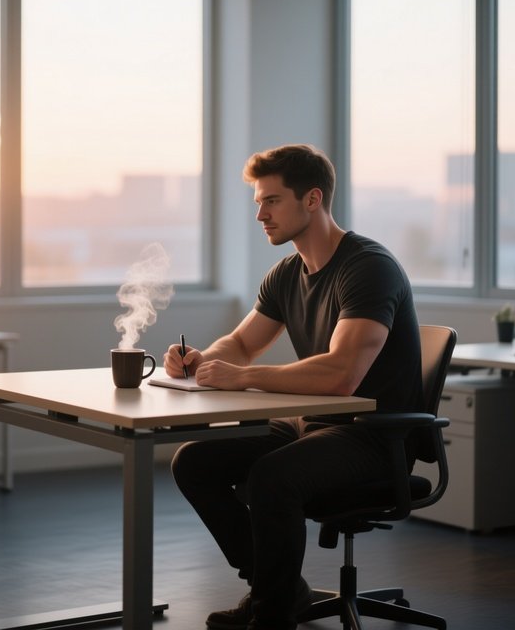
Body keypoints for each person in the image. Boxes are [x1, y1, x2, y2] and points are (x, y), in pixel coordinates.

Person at [162, 143, 422, 630]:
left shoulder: (368, 268)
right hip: (312, 425)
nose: (259, 214)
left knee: (271, 478)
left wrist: (243, 378)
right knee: (195, 461)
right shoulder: (287, 272)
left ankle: (272, 614)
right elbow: (241, 343)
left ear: (312, 200)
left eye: (272, 201)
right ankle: (276, 590)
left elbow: (342, 375)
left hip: (374, 434)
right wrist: (200, 360)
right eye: (258, 202)